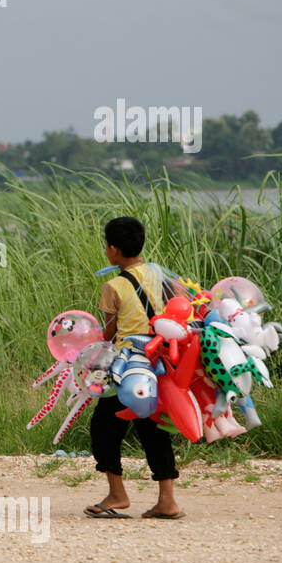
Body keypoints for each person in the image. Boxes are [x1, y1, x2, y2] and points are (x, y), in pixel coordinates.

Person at [86, 216, 185, 519]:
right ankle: (167, 500)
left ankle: (117, 495)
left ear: (113, 249)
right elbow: (182, 304)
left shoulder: (112, 286)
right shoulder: (161, 275)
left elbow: (108, 335)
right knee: (153, 428)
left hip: (126, 367)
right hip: (159, 364)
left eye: (107, 246)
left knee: (103, 427)